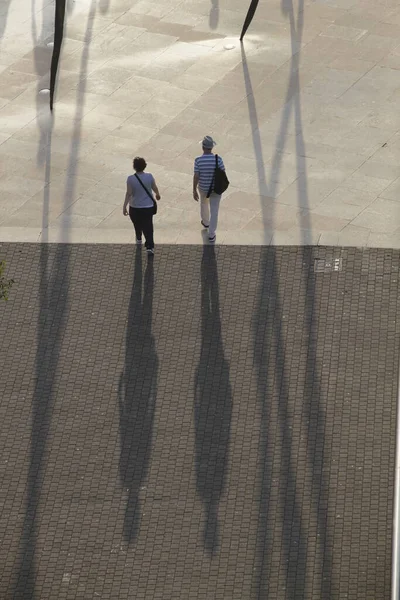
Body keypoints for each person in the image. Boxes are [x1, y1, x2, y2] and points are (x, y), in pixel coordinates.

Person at [123, 157, 161, 255]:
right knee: (148, 226)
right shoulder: (149, 176)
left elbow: (129, 193)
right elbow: (154, 187)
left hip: (134, 207)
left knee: (137, 224)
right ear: (144, 166)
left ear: (134, 167)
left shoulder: (130, 179)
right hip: (148, 206)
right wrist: (157, 194)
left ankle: (139, 238)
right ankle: (150, 247)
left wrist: (124, 206)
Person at [193, 135, 226, 243]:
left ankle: (206, 222)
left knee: (203, 204)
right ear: (212, 147)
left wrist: (194, 189)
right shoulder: (218, 159)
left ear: (203, 147)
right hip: (216, 189)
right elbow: (223, 174)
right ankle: (211, 234)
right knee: (214, 210)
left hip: (203, 188)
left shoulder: (198, 160)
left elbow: (196, 176)